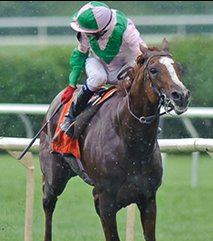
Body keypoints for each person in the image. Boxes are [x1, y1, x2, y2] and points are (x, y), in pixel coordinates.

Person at [57, 1, 147, 139]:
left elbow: (143, 55)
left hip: (124, 67)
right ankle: (71, 116)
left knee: (136, 79)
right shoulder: (90, 30)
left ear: (101, 30)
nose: (84, 34)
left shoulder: (127, 30)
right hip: (98, 63)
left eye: (88, 32)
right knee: (98, 78)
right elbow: (80, 54)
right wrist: (71, 84)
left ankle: (145, 118)